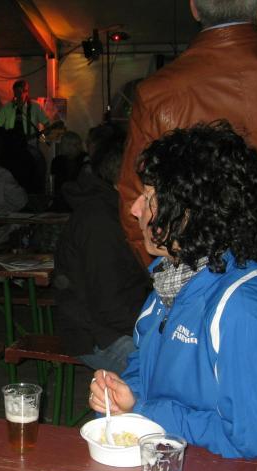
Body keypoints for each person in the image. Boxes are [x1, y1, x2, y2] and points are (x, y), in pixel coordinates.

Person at [0, 122, 257, 471]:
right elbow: (145, 366)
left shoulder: (242, 309)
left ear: (190, 211)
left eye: (149, 197)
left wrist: (145, 410)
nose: (135, 208)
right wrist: (125, 393)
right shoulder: (172, 283)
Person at [117, 0, 257, 328]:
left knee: (194, 359)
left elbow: (133, 198)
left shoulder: (157, 91)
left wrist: (162, 269)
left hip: (196, 267)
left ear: (194, 8)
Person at [53, 123, 151, 374]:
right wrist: (157, 327)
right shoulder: (100, 220)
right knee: (170, 372)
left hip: (112, 324)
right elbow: (109, 308)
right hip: (96, 336)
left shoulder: (115, 210)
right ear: (126, 178)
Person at [0, 80, 52, 193]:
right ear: (14, 92)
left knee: (32, 169)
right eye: (17, 92)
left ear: (27, 92)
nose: (19, 95)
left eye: (22, 92)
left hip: (30, 144)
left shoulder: (35, 107)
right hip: (11, 146)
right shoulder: (7, 107)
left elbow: (46, 123)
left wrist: (45, 133)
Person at [49, 130, 86, 212]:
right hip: (63, 199)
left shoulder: (84, 160)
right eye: (75, 145)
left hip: (78, 199)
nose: (78, 147)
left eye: (78, 144)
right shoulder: (57, 161)